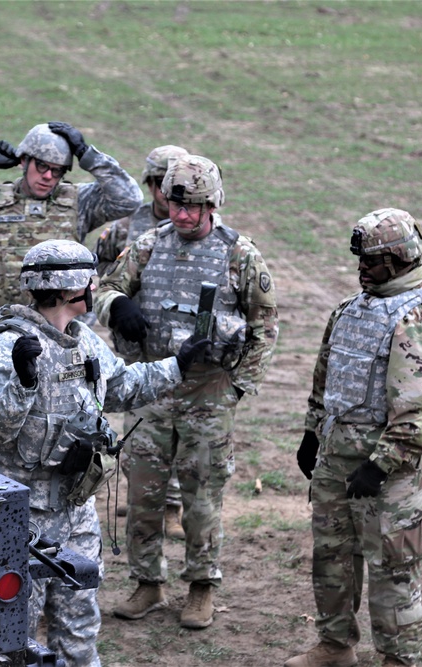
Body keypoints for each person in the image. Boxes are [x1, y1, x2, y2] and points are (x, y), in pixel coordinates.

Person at [0, 239, 209, 667]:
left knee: (79, 626)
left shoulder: (82, 340)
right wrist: (22, 383)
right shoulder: (11, 347)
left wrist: (178, 365)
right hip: (23, 520)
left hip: (76, 511)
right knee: (14, 635)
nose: (95, 291)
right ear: (71, 289)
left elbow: (120, 388)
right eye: (90, 282)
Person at [96, 154, 279, 630]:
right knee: (143, 495)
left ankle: (201, 587)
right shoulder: (149, 244)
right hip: (152, 391)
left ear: (212, 204)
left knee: (201, 500)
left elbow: (265, 327)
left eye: (192, 207)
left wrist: (237, 387)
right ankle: (147, 583)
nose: (181, 215)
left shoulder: (240, 255)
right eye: (174, 203)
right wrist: (117, 306)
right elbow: (106, 288)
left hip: (207, 394)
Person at [288, 208, 422, 667]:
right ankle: (336, 645)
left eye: (372, 261)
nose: (362, 268)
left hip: (391, 475)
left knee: (393, 571)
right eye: (361, 260)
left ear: (400, 259)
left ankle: (397, 659)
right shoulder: (351, 308)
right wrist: (312, 431)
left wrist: (379, 464)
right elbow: (324, 376)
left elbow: (421, 410)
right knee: (332, 558)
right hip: (337, 459)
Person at [0, 121, 142, 338]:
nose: (48, 176)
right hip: (9, 324)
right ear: (23, 161)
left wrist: (88, 155)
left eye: (57, 171)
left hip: (65, 325)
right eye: (42, 166)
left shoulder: (79, 201)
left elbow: (130, 199)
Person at [96, 144, 191, 540]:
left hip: (182, 348)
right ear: (151, 184)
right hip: (135, 346)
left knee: (179, 431)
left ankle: (171, 507)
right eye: (162, 186)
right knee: (138, 420)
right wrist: (117, 306)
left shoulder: (193, 229)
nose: (169, 197)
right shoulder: (124, 230)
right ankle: (143, 495)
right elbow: (100, 279)